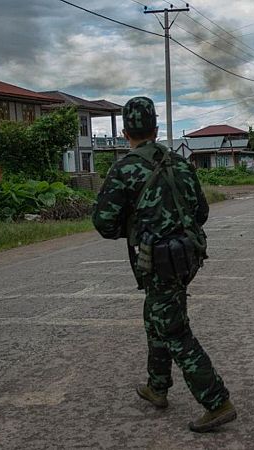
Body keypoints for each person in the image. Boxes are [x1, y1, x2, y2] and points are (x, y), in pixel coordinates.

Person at [92, 96, 236, 433]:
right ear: (155, 129)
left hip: (159, 261)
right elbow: (201, 212)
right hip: (188, 256)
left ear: (125, 133)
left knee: (172, 329)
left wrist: (138, 226)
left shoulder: (124, 169)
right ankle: (157, 387)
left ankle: (217, 402)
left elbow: (104, 224)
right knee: (155, 316)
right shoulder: (180, 163)